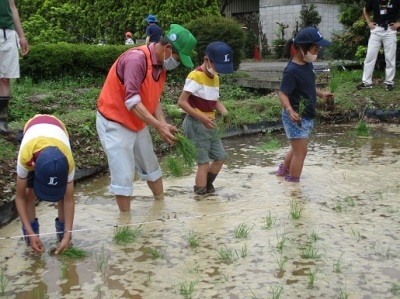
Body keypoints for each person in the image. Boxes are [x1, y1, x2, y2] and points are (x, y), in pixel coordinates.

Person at [96, 24, 197, 212]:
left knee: (150, 164)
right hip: (115, 121)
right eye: (177, 58)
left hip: (138, 121)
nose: (177, 63)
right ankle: (125, 225)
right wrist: (158, 126)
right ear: (167, 49)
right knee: (124, 174)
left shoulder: (161, 65)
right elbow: (132, 101)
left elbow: (153, 98)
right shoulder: (137, 59)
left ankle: (160, 207)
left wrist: (163, 122)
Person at [274, 27, 333, 183]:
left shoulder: (307, 64)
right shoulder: (291, 71)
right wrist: (290, 110)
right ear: (302, 48)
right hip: (295, 117)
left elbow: (307, 85)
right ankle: (293, 184)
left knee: (296, 149)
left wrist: (321, 94)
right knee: (301, 152)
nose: (317, 52)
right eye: (315, 48)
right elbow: (283, 93)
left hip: (306, 115)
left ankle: (283, 170)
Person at [177, 41, 234, 195]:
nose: (219, 71)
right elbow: (182, 102)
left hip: (211, 124)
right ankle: (201, 194)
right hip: (196, 124)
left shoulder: (215, 78)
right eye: (218, 66)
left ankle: (207, 187)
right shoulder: (195, 76)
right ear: (207, 60)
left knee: (220, 157)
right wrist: (201, 117)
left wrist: (225, 113)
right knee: (203, 163)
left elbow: (214, 100)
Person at [15, 114, 75, 254]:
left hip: (59, 134)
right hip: (34, 136)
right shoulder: (26, 157)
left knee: (62, 196)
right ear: (34, 168)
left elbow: (69, 199)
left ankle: (63, 240)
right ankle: (31, 242)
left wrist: (67, 235)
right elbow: (20, 197)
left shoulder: (68, 161)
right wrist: (30, 233)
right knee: (30, 194)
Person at [357, 0, 400, 91]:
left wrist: (398, 24)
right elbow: (365, 9)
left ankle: (389, 83)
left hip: (390, 30)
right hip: (376, 30)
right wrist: (369, 22)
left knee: (390, 58)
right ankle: (366, 82)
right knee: (370, 56)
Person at [0, 0, 29, 134]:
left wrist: (21, 36)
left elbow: (12, 8)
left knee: (5, 78)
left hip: (8, 34)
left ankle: (2, 120)